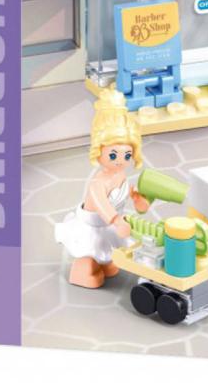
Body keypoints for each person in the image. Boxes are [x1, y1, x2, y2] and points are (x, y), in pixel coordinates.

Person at [55, 90, 149, 288]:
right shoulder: (98, 183)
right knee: (90, 252)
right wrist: (116, 220)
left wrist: (135, 195)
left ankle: (104, 265)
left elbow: (122, 191)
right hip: (94, 225)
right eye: (113, 155)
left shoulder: (120, 175)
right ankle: (81, 272)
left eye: (127, 155)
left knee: (107, 252)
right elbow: (103, 205)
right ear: (99, 152)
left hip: (108, 225)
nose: (121, 161)